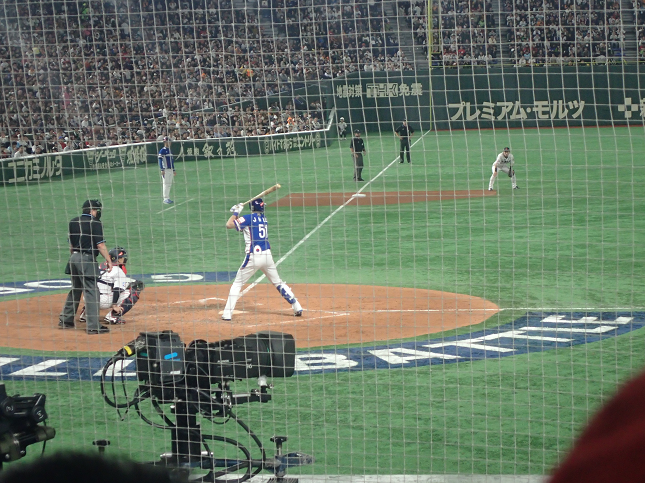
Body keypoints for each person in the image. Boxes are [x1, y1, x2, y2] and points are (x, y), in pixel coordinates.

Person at [221, 199, 303, 321]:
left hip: (254, 256)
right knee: (278, 282)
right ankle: (297, 306)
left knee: (237, 284)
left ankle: (227, 314)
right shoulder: (264, 219)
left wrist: (236, 212)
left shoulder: (248, 218)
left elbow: (229, 225)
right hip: (267, 256)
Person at [59, 199, 112, 335]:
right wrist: (109, 260)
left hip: (74, 258)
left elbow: (71, 245)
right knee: (91, 291)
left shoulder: (73, 221)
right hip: (86, 259)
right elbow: (100, 245)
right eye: (97, 210)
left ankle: (65, 320)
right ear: (93, 210)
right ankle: (93, 326)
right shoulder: (95, 224)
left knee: (76, 289)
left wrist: (74, 258)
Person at [78, 247, 145, 325]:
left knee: (102, 287)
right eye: (122, 258)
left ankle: (86, 314)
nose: (124, 259)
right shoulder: (118, 271)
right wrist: (114, 305)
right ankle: (113, 316)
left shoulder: (101, 266)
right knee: (133, 292)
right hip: (102, 301)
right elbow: (117, 289)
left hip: (88, 297)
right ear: (118, 259)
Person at [158, 136, 176, 204]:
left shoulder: (169, 150)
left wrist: (173, 169)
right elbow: (160, 160)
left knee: (169, 184)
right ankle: (165, 198)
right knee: (165, 184)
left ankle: (168, 198)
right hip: (165, 169)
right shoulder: (162, 150)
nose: (170, 143)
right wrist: (162, 169)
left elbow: (172, 161)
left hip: (170, 169)